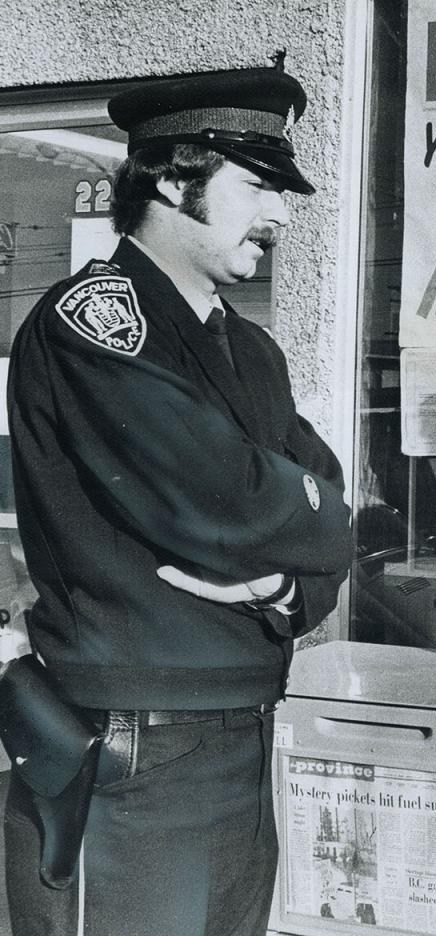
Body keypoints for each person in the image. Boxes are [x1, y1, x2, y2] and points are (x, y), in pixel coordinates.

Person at [4, 66, 354, 936]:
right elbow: (226, 500)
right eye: (259, 186)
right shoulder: (94, 320)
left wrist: (281, 586)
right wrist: (302, 516)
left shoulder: (249, 349)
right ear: (171, 178)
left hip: (241, 730)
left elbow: (333, 514)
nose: (280, 214)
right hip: (135, 747)